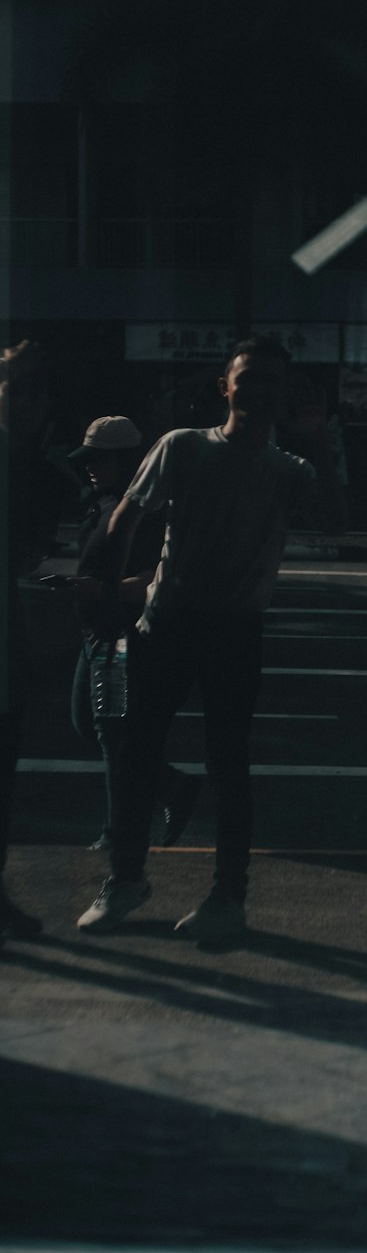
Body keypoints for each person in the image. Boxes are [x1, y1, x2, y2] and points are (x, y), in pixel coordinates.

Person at [76, 335, 347, 943]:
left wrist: (319, 441)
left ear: (284, 393)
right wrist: (117, 609)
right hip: (166, 622)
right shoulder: (183, 447)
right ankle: (125, 880)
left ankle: (228, 897)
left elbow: (335, 522)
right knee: (134, 754)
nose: (257, 389)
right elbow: (126, 515)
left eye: (271, 381)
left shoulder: (289, 469)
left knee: (229, 766)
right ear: (225, 386)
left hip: (236, 629)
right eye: (247, 377)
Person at [65, 415, 200, 852]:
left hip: (118, 636)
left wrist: (99, 590)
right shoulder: (102, 502)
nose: (90, 467)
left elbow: (150, 578)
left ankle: (117, 829)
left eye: (98, 460)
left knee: (109, 731)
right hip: (98, 632)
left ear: (123, 462)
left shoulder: (141, 510)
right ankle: (167, 786)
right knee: (91, 723)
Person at [1, 340, 67, 945]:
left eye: (35, 390)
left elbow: (29, 554)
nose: (24, 402)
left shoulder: (39, 471)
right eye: (14, 387)